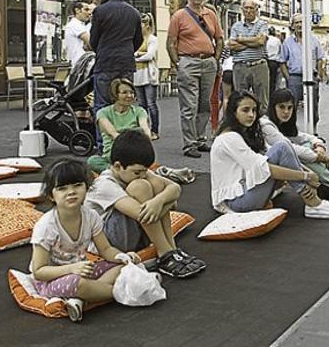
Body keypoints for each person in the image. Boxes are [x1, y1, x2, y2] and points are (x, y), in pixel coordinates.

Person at [30, 158, 143, 323]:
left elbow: (105, 250)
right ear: (51, 196)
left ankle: (81, 300)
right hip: (52, 280)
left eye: (77, 185)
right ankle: (126, 291)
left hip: (83, 271)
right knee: (79, 284)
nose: (71, 192)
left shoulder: (90, 216)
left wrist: (122, 257)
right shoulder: (47, 226)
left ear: (87, 187)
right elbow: (39, 271)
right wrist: (72, 268)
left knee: (122, 266)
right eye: (62, 188)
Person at [84, 129, 207, 278]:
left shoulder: (136, 171)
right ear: (117, 166)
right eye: (137, 172)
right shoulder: (104, 184)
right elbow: (143, 213)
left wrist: (158, 201)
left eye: (144, 170)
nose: (142, 175)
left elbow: (175, 188)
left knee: (154, 183)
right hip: (108, 242)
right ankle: (165, 252)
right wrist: (168, 202)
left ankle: (171, 248)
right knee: (140, 186)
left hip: (134, 233)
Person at [210, 91, 329, 218]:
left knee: (283, 147)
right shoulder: (229, 138)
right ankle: (313, 203)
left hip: (245, 189)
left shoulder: (244, 132)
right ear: (233, 112)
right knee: (282, 147)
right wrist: (306, 176)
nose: (251, 115)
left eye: (254, 110)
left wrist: (309, 174)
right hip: (237, 202)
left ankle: (317, 196)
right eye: (245, 110)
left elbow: (278, 153)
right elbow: (265, 168)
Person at [167, 0, 223, 158]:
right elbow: (171, 43)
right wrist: (178, 63)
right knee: (189, 105)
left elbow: (220, 39)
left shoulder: (211, 14)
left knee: (204, 104)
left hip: (208, 63)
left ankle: (200, 139)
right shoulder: (179, 16)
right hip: (188, 62)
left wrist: (215, 59)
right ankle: (189, 144)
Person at [89, 0, 144, 149]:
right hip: (126, 63)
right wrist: (127, 51)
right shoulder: (134, 12)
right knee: (125, 103)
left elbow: (93, 40)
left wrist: (103, 49)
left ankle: (103, 145)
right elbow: (138, 40)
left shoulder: (100, 11)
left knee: (102, 106)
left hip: (105, 62)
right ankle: (125, 145)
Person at [87, 78, 150, 173]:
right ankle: (124, 172)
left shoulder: (139, 111)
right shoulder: (103, 113)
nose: (129, 96)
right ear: (115, 95)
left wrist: (143, 134)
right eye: (124, 92)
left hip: (134, 155)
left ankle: (118, 172)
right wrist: (134, 133)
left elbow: (146, 131)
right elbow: (114, 134)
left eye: (132, 92)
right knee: (92, 161)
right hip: (112, 156)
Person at [279, 14, 325, 133]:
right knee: (291, 105)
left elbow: (320, 58)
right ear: (293, 26)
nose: (299, 25)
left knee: (313, 105)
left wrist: (319, 74)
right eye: (296, 23)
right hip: (295, 77)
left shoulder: (314, 40)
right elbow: (282, 61)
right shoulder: (287, 42)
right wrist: (288, 78)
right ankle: (291, 131)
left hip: (312, 76)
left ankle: (314, 132)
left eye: (301, 22)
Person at [228, 0, 270, 114]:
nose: (248, 11)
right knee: (241, 100)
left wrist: (241, 39)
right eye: (246, 8)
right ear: (242, 10)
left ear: (256, 10)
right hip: (240, 67)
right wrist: (252, 42)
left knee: (262, 101)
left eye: (251, 8)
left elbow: (261, 41)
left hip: (259, 66)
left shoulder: (262, 24)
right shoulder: (236, 26)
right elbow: (232, 45)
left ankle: (262, 127)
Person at [134, 13, 160, 141]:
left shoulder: (152, 39)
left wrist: (136, 56)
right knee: (141, 105)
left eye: (141, 24)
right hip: (137, 75)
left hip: (149, 76)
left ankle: (155, 130)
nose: (139, 27)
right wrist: (139, 54)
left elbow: (150, 55)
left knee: (151, 104)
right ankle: (144, 129)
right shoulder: (136, 39)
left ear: (147, 25)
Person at [63, 1, 92, 69]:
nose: (89, 13)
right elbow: (91, 42)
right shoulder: (74, 24)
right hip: (80, 65)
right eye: (86, 9)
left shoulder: (83, 25)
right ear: (77, 10)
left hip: (84, 63)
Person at [265, 26, 282, 91]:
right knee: (273, 81)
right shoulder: (277, 40)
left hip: (266, 61)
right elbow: (280, 51)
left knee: (266, 81)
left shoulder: (266, 39)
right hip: (274, 62)